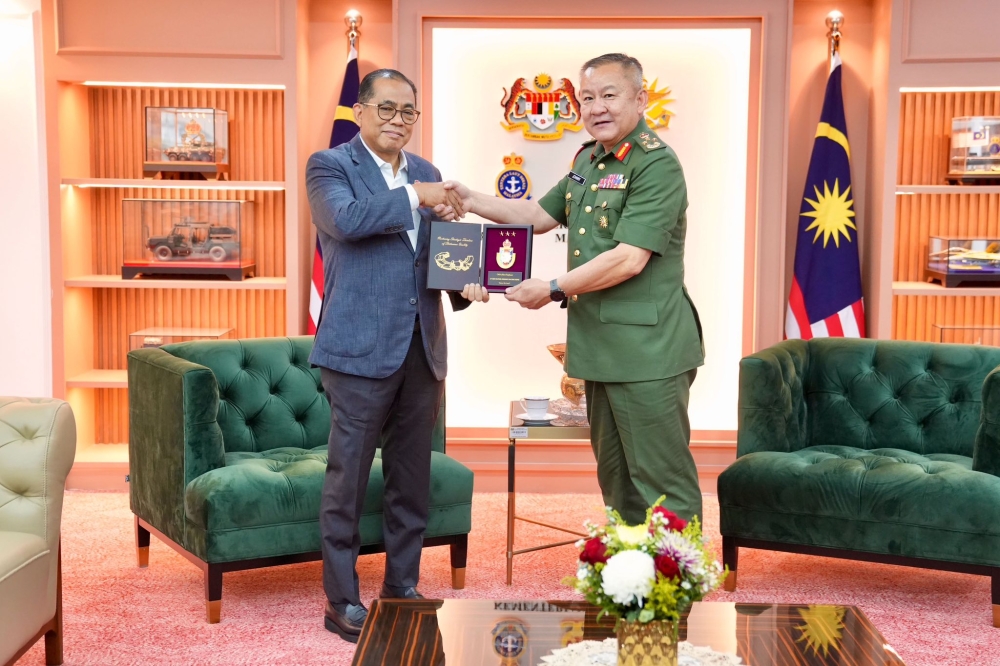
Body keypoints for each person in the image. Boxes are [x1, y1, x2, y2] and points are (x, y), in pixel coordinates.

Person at [438, 53, 704, 526]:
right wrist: (468, 197)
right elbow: (537, 217)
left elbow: (628, 258)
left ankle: (673, 596)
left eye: (609, 95)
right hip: (599, 349)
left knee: (662, 486)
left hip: (648, 352)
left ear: (640, 99)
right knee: (618, 481)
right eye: (587, 98)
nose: (596, 107)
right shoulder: (589, 159)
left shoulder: (656, 165)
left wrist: (554, 288)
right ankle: (628, 586)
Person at [306, 68, 487, 643]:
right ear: (360, 111)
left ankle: (402, 587)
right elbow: (348, 222)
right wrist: (414, 196)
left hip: (421, 351)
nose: (398, 121)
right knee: (347, 480)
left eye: (408, 111)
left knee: (411, 479)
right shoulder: (330, 167)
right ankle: (341, 601)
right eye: (386, 109)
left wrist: (467, 284)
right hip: (357, 352)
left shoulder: (427, 172)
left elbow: (434, 257)